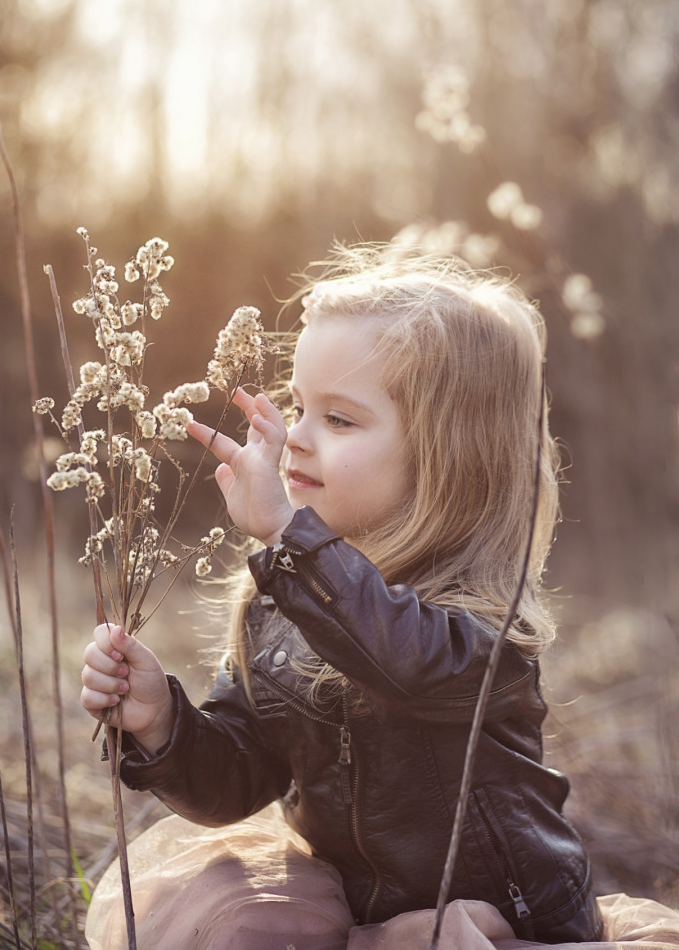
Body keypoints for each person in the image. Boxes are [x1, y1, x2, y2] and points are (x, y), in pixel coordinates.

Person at [80, 243, 604, 947]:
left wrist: (287, 540)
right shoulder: (284, 603)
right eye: (298, 406)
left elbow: (398, 660)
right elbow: (238, 776)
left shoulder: (480, 632)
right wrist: (162, 726)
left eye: (339, 419)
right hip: (357, 911)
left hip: (502, 920)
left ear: (449, 459)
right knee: (249, 920)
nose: (294, 438)